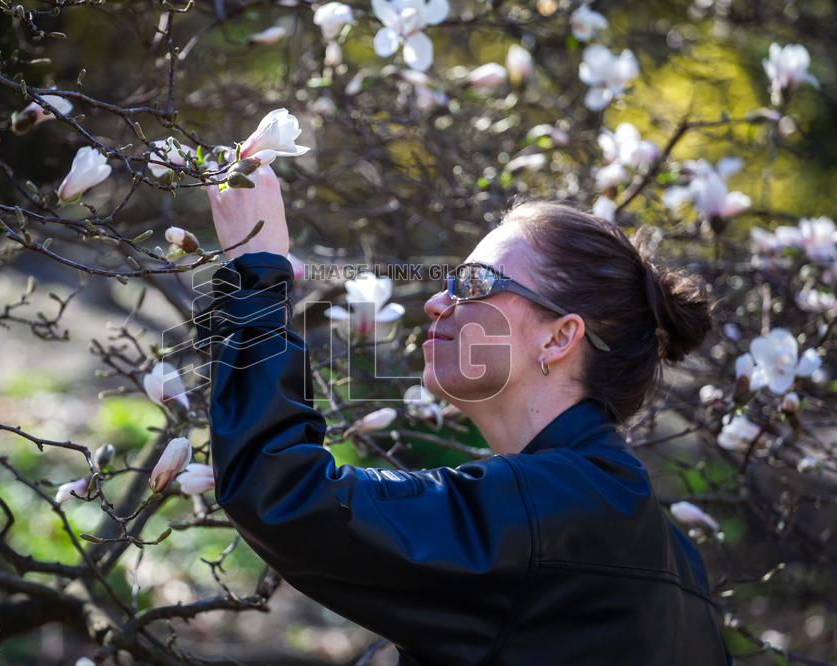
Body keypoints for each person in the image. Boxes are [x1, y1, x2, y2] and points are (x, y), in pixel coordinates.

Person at [195, 166, 732, 665]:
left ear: (560, 336)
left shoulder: (544, 509)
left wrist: (255, 271)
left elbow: (284, 495)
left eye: (473, 285)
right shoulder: (679, 566)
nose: (436, 302)